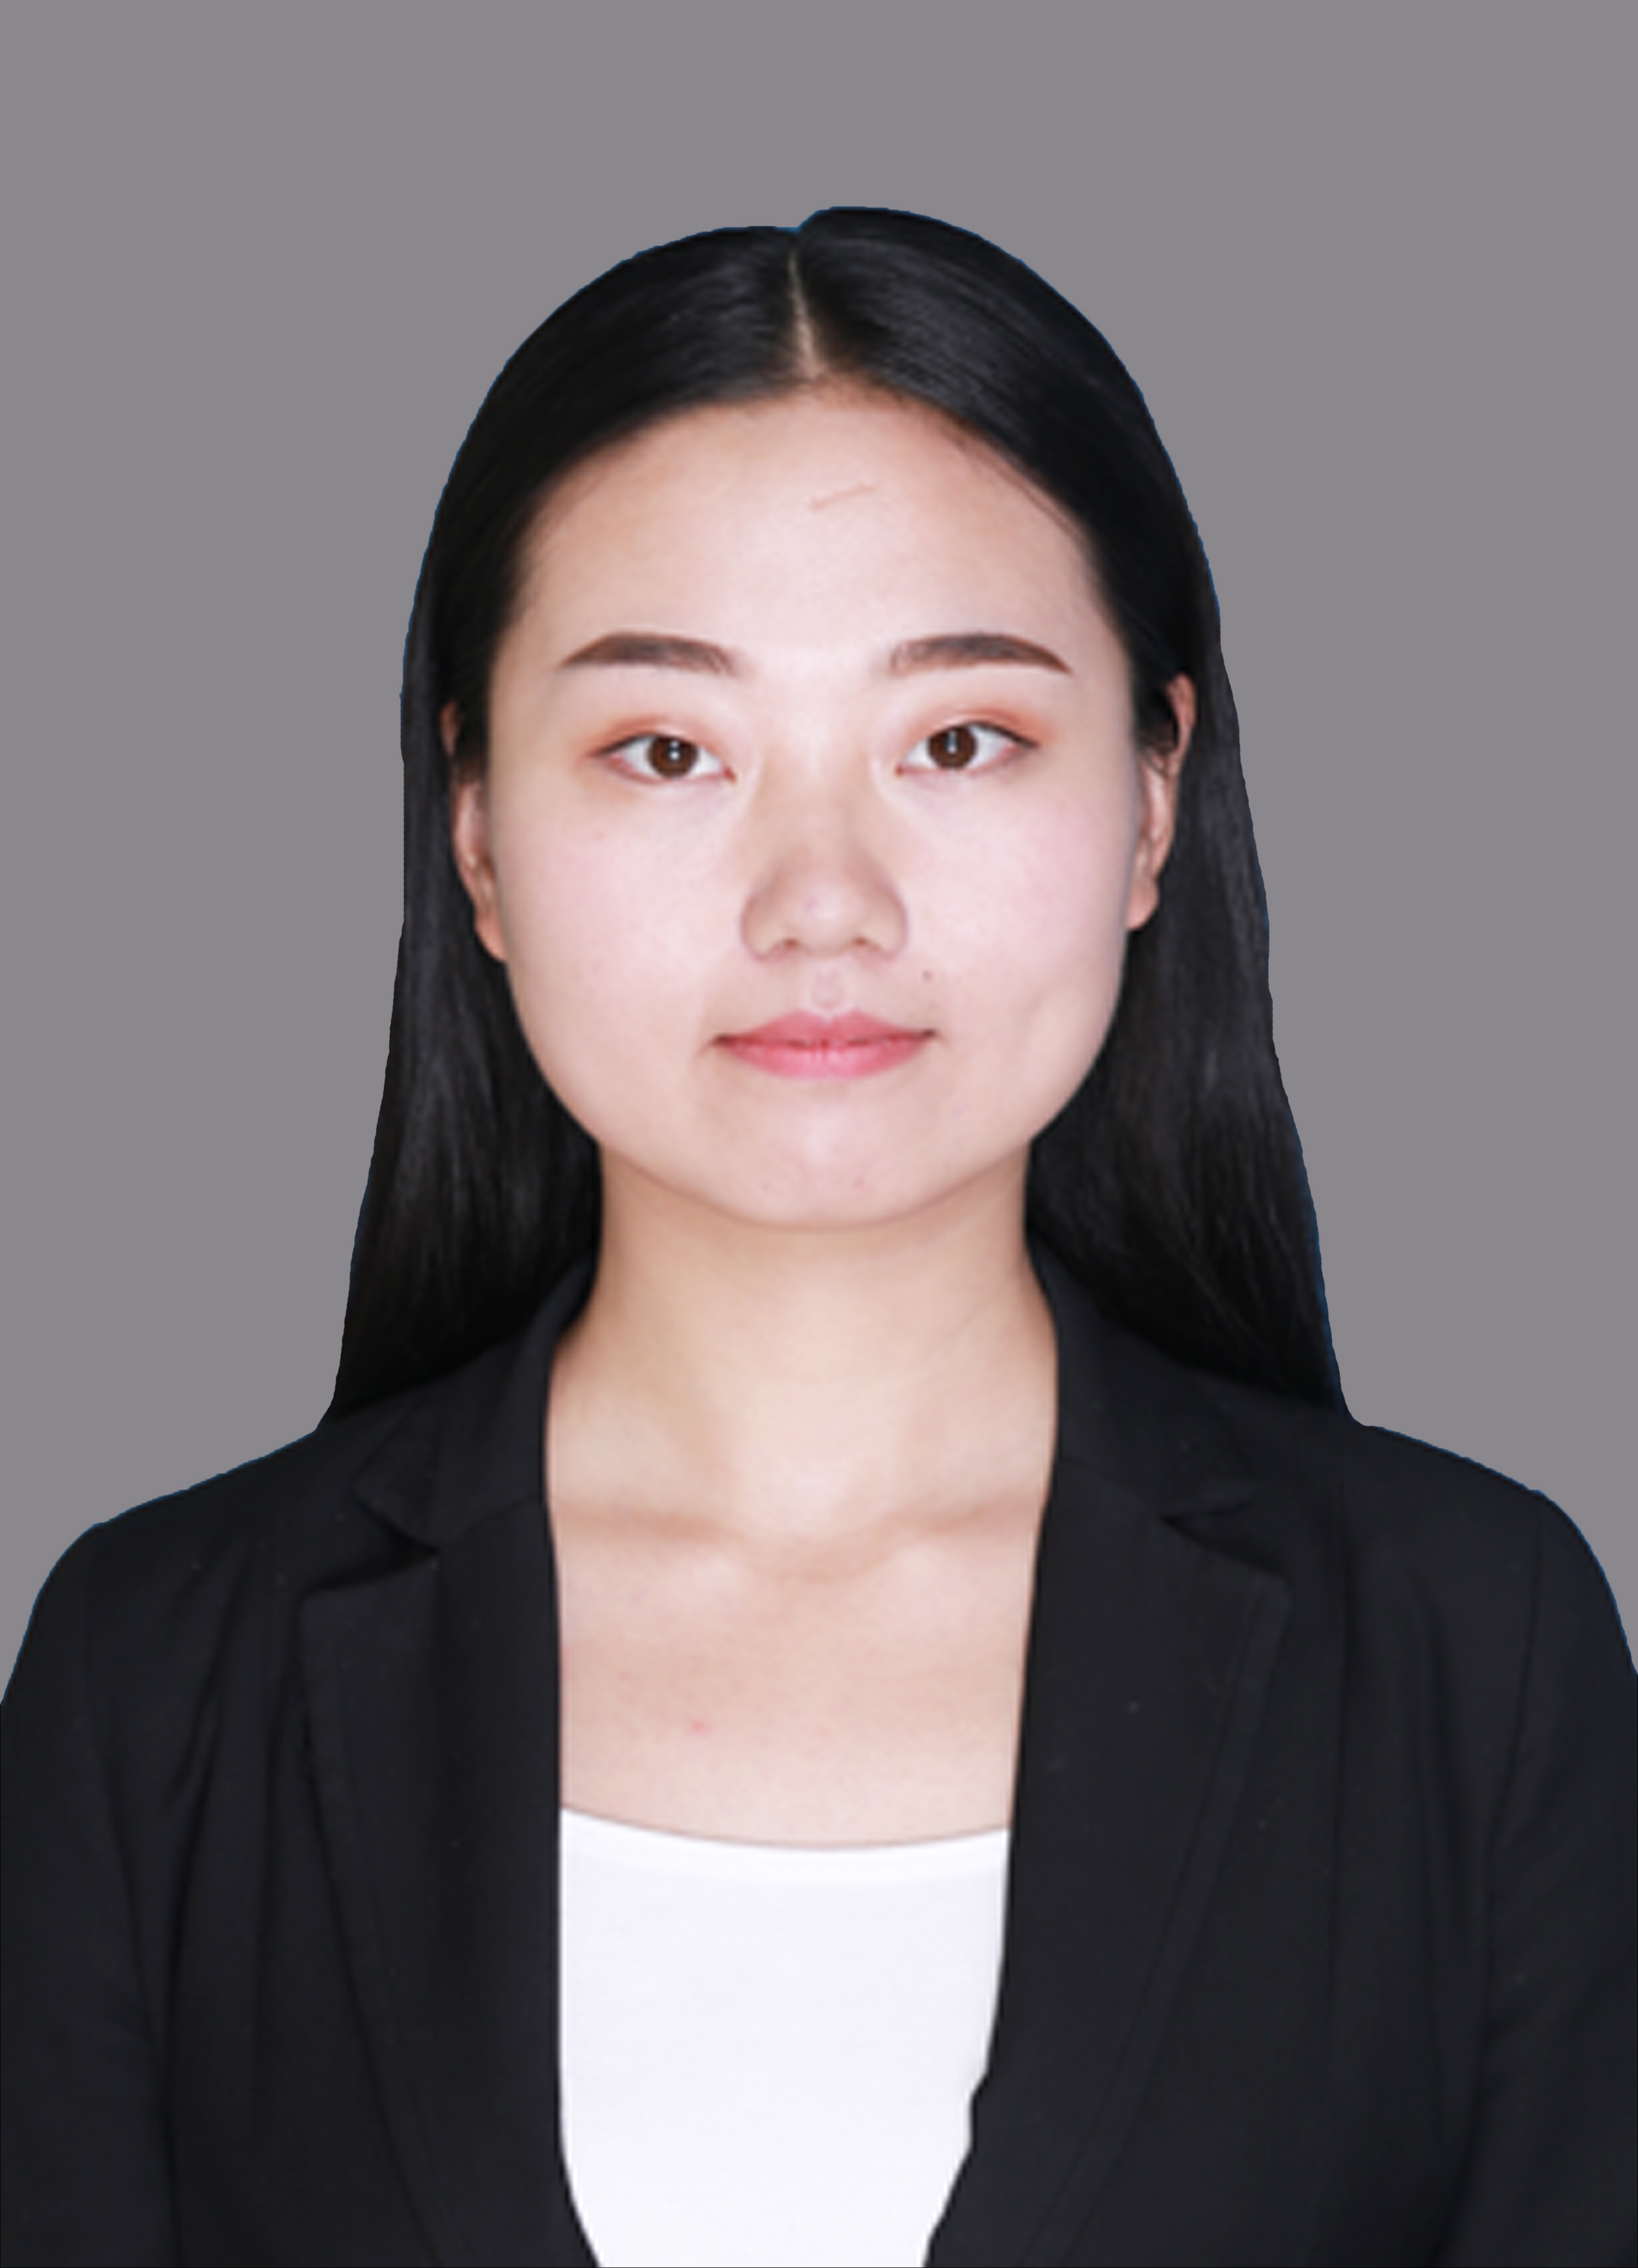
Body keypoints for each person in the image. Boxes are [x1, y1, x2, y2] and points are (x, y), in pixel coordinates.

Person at [2, 209, 1632, 2268]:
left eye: (958, 740)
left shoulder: (1474, 1657)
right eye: (668, 751)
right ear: (478, 831)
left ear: (1152, 804)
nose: (823, 900)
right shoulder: (157, 1677)